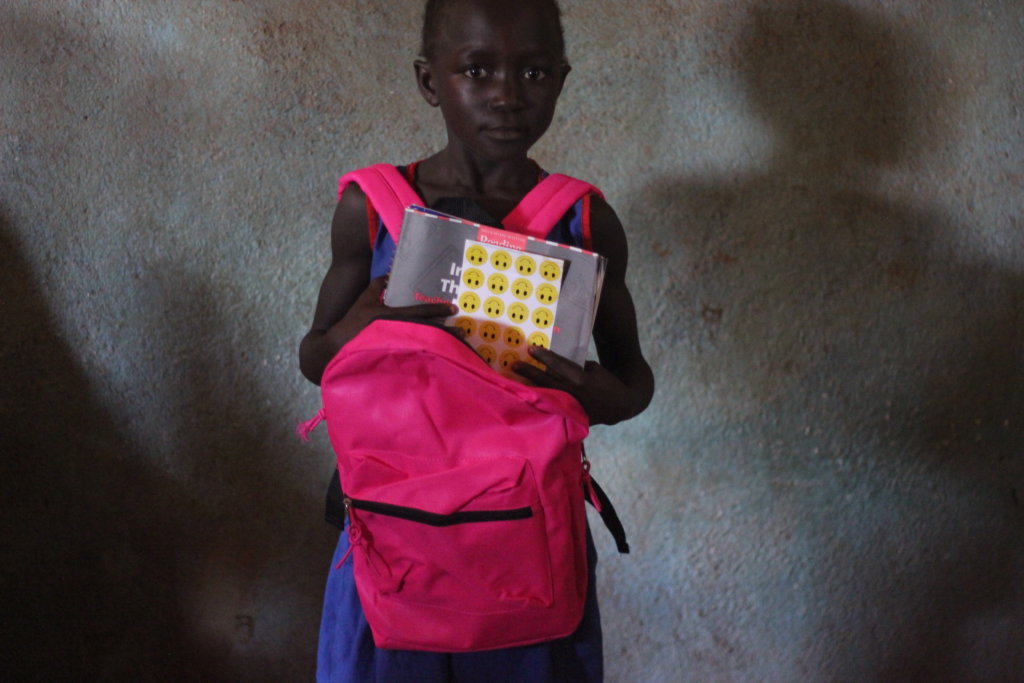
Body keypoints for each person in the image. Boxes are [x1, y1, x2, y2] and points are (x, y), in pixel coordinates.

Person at [299, 0, 654, 680]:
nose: (507, 95)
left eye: (535, 72)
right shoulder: (372, 208)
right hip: (393, 530)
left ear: (562, 80)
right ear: (430, 82)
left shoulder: (583, 222)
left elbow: (634, 383)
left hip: (524, 538)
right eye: (477, 69)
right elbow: (315, 358)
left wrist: (581, 387)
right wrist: (361, 325)